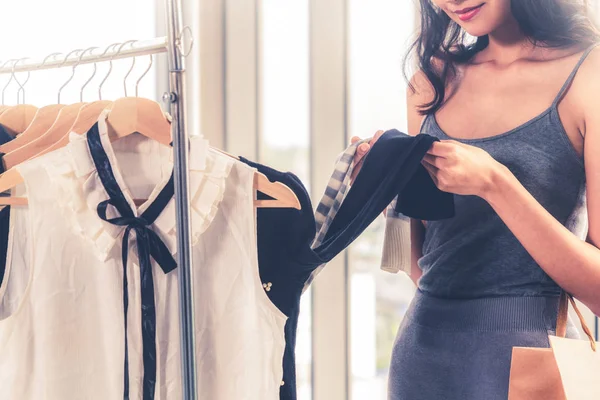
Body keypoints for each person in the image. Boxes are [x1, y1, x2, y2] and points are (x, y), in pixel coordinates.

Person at [351, 1, 600, 399]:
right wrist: (386, 192)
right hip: (421, 358)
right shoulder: (430, 82)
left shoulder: (589, 74)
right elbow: (427, 269)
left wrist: (496, 183)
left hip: (530, 365)